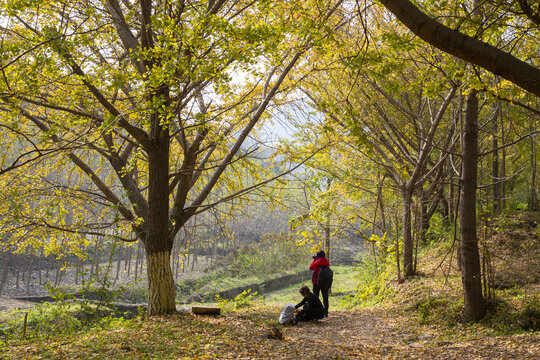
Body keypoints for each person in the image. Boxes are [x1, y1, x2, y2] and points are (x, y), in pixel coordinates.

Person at [310, 250, 330, 317]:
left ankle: (316, 312)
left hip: (316, 282)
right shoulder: (326, 261)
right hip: (325, 282)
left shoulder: (318, 261)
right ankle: (326, 312)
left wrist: (314, 260)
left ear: (318, 256)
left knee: (315, 297)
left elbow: (311, 267)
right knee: (325, 297)